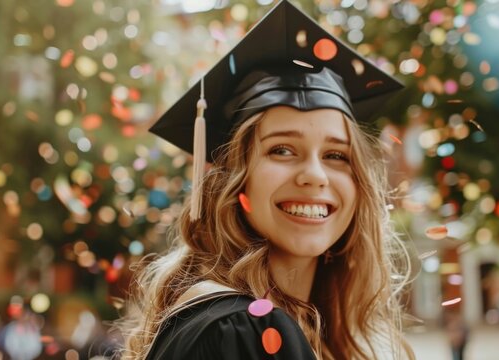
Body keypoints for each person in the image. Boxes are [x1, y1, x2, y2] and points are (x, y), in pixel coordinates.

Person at [119, 1, 414, 359]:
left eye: (336, 155)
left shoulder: (276, 326)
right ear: (233, 178)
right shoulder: (247, 328)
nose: (315, 176)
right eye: (282, 150)